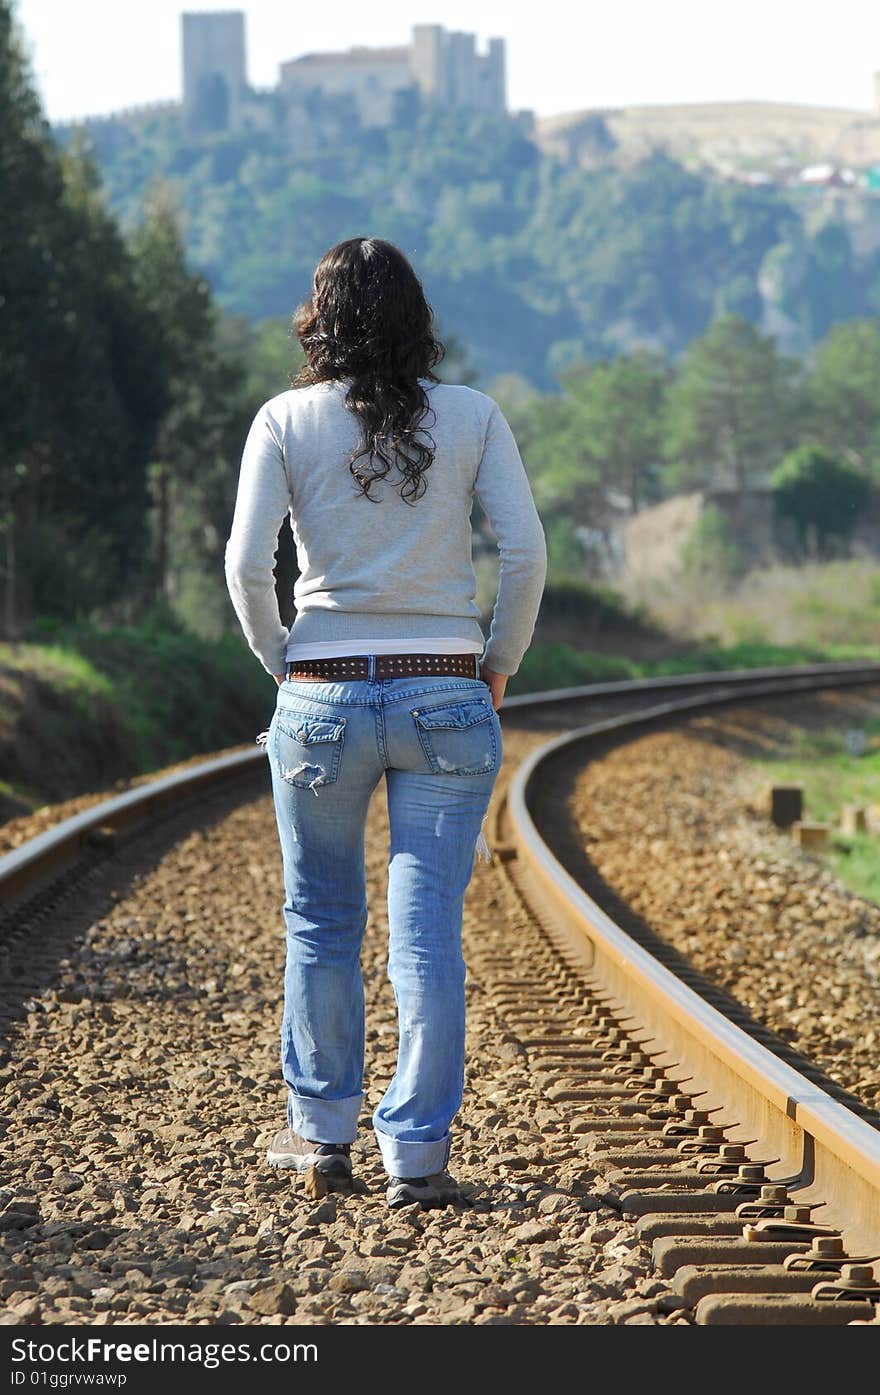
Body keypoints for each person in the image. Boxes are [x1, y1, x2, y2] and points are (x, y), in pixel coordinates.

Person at [224, 236, 547, 1209]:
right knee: (426, 936)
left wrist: (287, 665)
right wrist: (497, 663)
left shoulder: (284, 419)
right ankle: (416, 1157)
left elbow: (246, 566)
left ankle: (323, 1139)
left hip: (320, 691)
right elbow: (524, 557)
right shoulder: (474, 416)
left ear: (317, 321)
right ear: (418, 320)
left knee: (320, 923)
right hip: (444, 690)